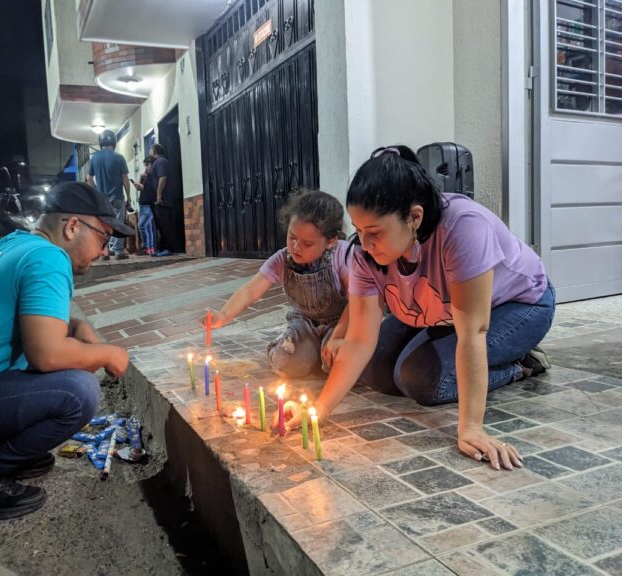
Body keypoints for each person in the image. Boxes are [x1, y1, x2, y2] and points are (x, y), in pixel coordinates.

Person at [276, 146, 555, 472]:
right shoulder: (365, 253)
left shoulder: (463, 229)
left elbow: (473, 332)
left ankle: (522, 362)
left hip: (515, 306)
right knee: (374, 368)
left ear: (415, 217)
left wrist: (471, 428)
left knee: (422, 379)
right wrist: (320, 410)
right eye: (358, 230)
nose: (364, 245)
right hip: (444, 313)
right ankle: (463, 351)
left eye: (375, 233)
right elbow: (359, 341)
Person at [0, 181, 134, 520]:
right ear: (73, 226)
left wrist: (77, 327)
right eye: (104, 238)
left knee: (64, 368)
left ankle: (5, 451)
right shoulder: (48, 257)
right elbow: (47, 355)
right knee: (77, 391)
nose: (105, 251)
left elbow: (30, 318)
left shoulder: (18, 244)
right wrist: (108, 354)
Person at [203, 190, 350, 378]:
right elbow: (250, 291)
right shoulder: (282, 259)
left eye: (307, 243)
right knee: (288, 364)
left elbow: (357, 303)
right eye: (292, 237)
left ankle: (319, 354)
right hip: (303, 324)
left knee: (345, 363)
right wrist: (223, 315)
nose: (296, 247)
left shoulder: (343, 256)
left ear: (330, 242)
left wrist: (338, 335)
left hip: (341, 322)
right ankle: (288, 348)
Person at [88, 129, 132, 260]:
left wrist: (97, 193)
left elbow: (89, 178)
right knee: (118, 223)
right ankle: (119, 251)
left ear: (101, 142)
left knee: (104, 225)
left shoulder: (94, 158)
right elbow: (125, 179)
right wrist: (128, 197)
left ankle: (106, 251)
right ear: (114, 141)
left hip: (102, 199)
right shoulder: (119, 157)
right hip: (117, 197)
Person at [148, 143, 175, 257]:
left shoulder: (160, 161)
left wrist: (159, 195)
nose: (149, 152)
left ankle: (167, 249)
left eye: (150, 150)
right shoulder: (158, 162)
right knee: (160, 224)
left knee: (164, 224)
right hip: (160, 199)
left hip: (162, 199)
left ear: (154, 151)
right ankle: (162, 248)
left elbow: (163, 177)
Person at [134, 156, 156, 255]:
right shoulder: (145, 176)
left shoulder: (154, 177)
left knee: (141, 225)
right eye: (145, 165)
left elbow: (152, 190)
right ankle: (150, 248)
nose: (146, 168)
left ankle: (146, 246)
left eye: (148, 165)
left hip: (149, 204)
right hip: (142, 204)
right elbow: (139, 189)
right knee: (147, 227)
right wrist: (139, 182)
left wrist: (142, 186)